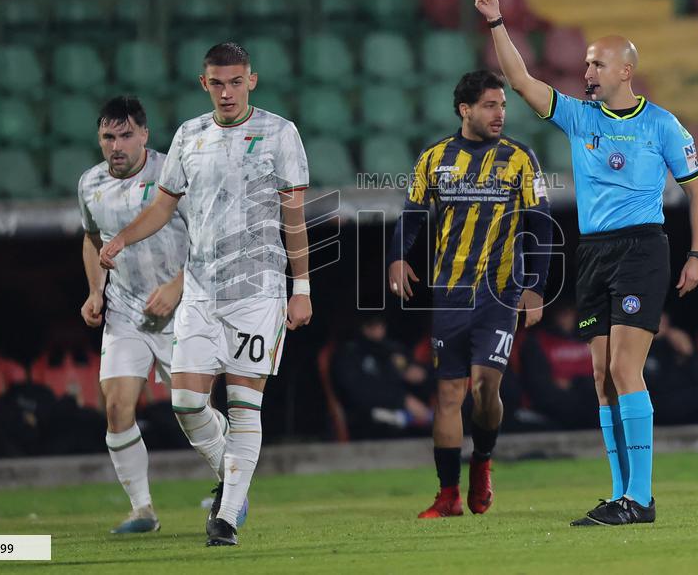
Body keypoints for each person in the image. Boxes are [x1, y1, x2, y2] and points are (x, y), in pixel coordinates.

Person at [475, 0, 698, 526]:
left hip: (641, 249)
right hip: (594, 253)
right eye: (586, 64)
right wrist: (495, 23)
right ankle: (620, 493)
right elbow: (521, 81)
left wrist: (696, 254)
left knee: (627, 369)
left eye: (598, 64)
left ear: (626, 70)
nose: (588, 72)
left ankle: (642, 499)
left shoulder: (662, 125)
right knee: (602, 376)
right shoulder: (581, 118)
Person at [99, 42, 311, 548]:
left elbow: (295, 217)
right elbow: (165, 205)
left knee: (243, 405)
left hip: (256, 291)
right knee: (187, 403)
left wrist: (301, 287)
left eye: (236, 82)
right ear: (204, 84)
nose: (227, 91)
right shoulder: (189, 135)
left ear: (251, 81)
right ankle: (233, 477)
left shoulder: (281, 133)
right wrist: (124, 237)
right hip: (200, 290)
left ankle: (228, 515)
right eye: (217, 82)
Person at [388, 69, 553, 519]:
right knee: (448, 394)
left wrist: (536, 287)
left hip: (500, 293)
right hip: (450, 294)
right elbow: (412, 215)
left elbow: (540, 226)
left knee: (484, 388)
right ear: (465, 109)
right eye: (490, 105)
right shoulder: (435, 158)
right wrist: (397, 257)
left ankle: (481, 462)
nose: (500, 113)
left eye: (502, 105)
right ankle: (448, 495)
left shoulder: (521, 158)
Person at [77, 95, 187, 534]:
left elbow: (205, 236)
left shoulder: (172, 174)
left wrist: (178, 287)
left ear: (144, 134)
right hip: (125, 310)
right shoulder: (89, 183)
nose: (117, 145)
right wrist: (94, 292)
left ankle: (229, 491)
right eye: (108, 136)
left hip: (180, 309)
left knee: (192, 408)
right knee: (118, 407)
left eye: (126, 135)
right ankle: (142, 510)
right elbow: (91, 238)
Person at [331, 315, 434, 436]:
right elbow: (358, 393)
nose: (378, 329)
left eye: (380, 324)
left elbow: (414, 372)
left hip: (408, 412)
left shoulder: (391, 349)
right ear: (362, 327)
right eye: (372, 325)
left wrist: (414, 374)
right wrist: (402, 400)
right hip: (367, 418)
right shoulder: (349, 354)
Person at [518, 302, 596, 429]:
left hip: (592, 407)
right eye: (561, 312)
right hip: (552, 412)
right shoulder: (536, 341)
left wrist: (575, 383)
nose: (564, 317)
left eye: (569, 312)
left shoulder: (593, 337)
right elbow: (539, 385)